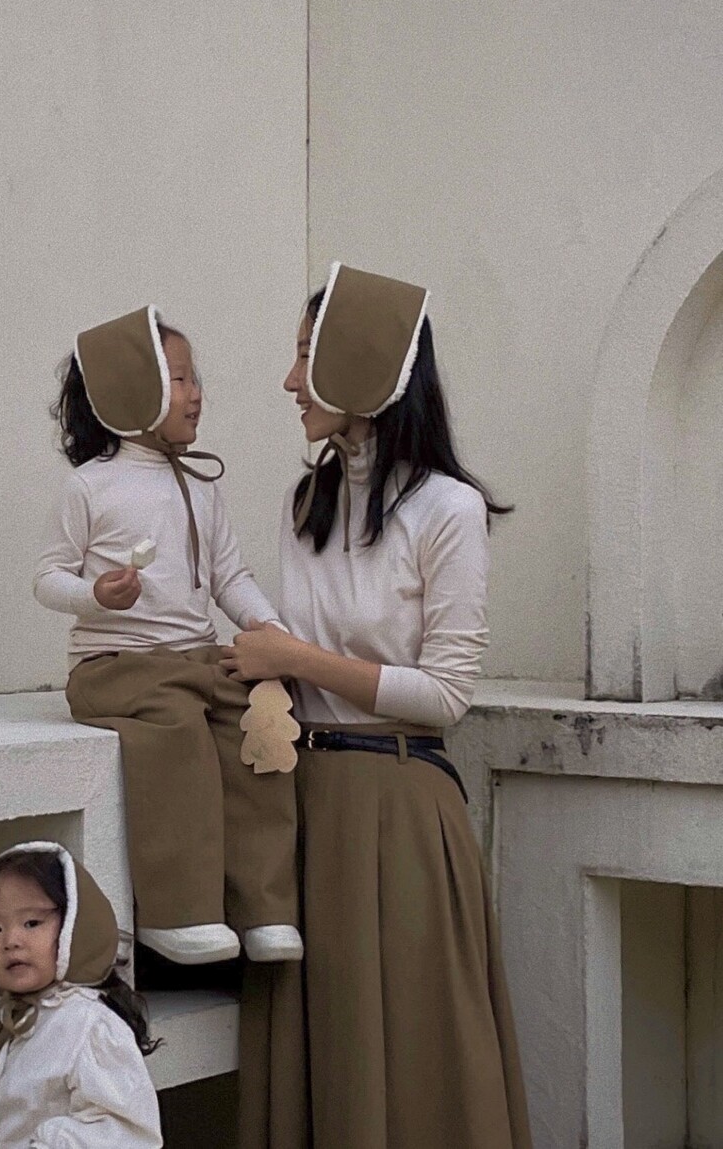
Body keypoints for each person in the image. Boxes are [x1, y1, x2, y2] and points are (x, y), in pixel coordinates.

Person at [223, 265, 533, 1148]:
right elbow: (285, 652)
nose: (290, 380)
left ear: (356, 363)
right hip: (301, 807)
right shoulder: (306, 503)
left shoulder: (448, 509)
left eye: (306, 356)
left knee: (414, 1058)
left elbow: (447, 693)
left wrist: (295, 656)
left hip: (401, 813)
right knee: (324, 1055)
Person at [33, 306, 301, 966]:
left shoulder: (200, 486)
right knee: (176, 733)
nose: (195, 392)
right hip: (116, 665)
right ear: (132, 391)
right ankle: (179, 912)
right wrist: (95, 595)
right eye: (178, 379)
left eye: (193, 377)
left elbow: (229, 575)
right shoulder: (90, 485)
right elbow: (47, 577)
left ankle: (264, 907)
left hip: (194, 659)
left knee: (258, 730)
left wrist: (269, 628)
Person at [0, 841, 162, 1149]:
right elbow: (34, 1036)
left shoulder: (89, 1027)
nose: (11, 940)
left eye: (32, 923)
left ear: (75, 929)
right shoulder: (15, 1018)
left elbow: (127, 1134)